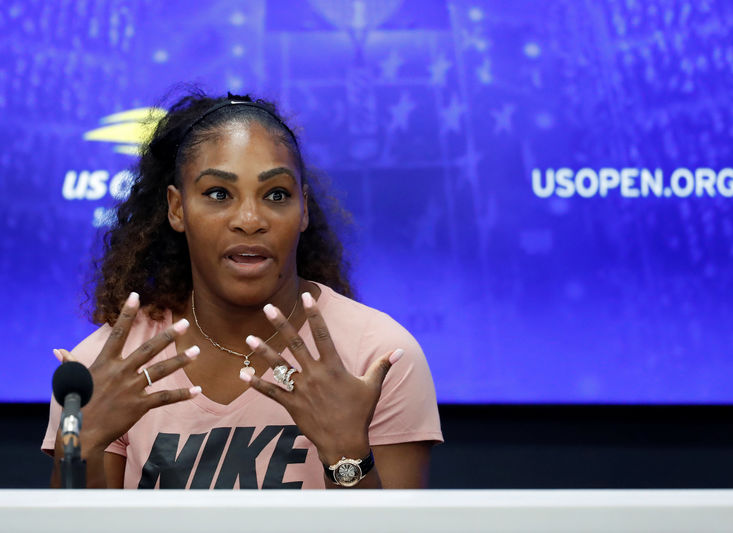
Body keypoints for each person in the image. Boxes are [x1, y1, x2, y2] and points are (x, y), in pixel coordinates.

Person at [42, 91, 442, 489]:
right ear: (177, 209)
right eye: (218, 194)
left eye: (276, 195)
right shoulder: (102, 374)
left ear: (302, 209)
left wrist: (346, 453)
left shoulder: (376, 358)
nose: (249, 220)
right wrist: (82, 447)